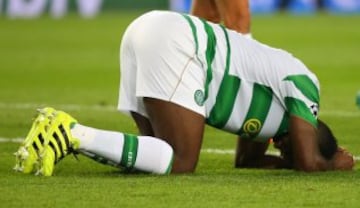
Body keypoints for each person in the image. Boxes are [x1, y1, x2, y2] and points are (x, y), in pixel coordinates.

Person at [14, 10, 354, 176]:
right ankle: (71, 132)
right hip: (180, 45)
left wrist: (287, 163)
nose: (280, 150)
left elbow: (245, 162)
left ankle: (55, 139)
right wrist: (334, 164)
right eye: (289, 150)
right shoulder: (308, 87)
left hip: (151, 33)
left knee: (153, 160)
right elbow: (310, 163)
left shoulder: (271, 125)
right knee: (180, 161)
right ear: (310, 129)